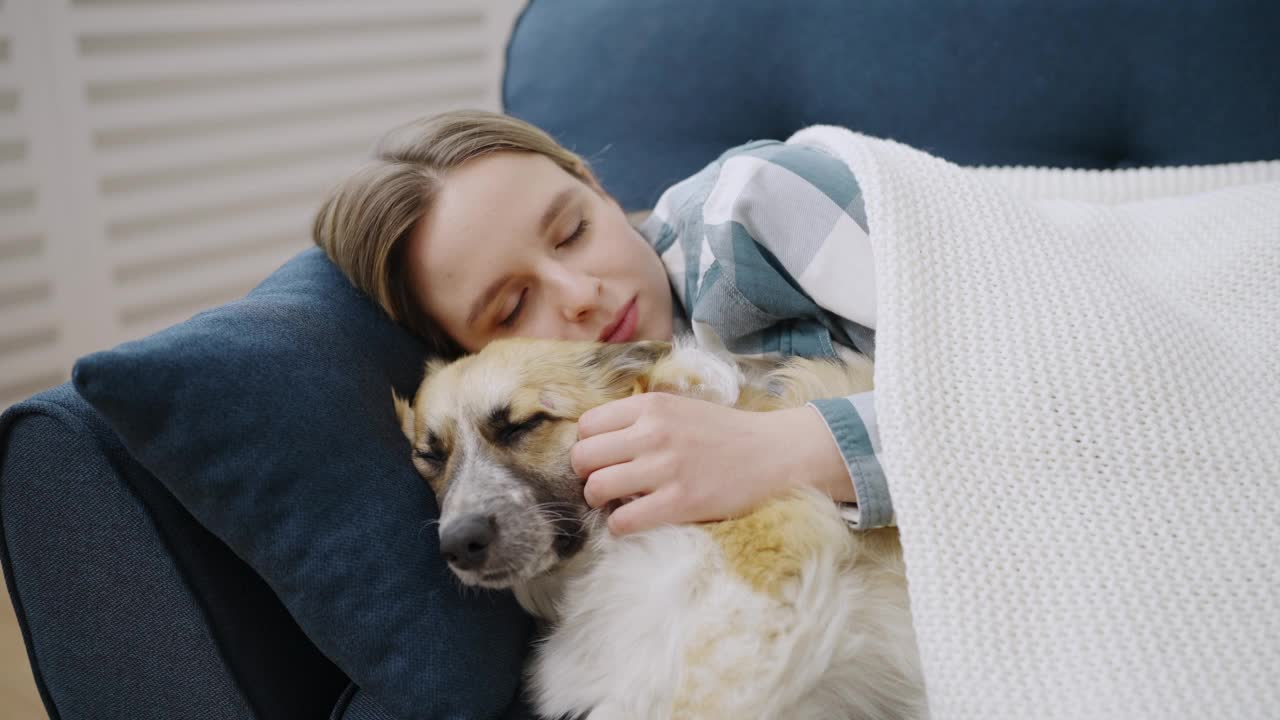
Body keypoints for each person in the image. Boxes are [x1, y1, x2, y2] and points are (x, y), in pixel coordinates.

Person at [313, 110, 891, 536]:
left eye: (572, 232)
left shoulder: (755, 207)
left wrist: (785, 450)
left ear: (598, 189)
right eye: (512, 308)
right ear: (467, 354)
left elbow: (981, 364)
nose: (580, 293)